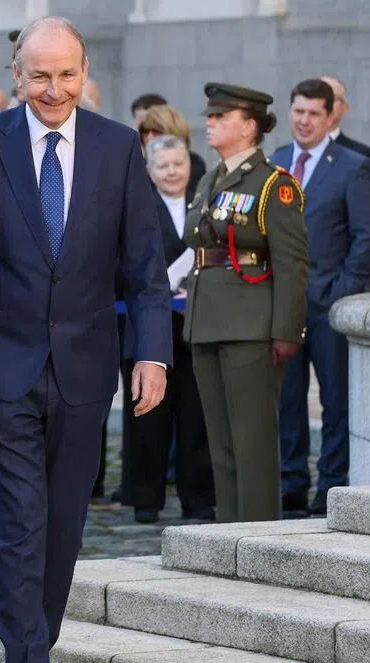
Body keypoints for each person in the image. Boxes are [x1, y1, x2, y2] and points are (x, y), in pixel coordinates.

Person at [0, 16, 172, 663]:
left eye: (65, 74)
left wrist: (153, 353)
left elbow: (144, 267)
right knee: (18, 520)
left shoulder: (115, 146)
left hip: (84, 370)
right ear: (17, 74)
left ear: (82, 72)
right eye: (39, 75)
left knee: (65, 525)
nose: (52, 88)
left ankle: (23, 662)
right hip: (0, 372)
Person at [183, 82, 308, 523]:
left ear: (250, 126)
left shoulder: (275, 185)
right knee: (220, 442)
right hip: (206, 320)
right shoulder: (208, 179)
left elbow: (292, 263)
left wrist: (286, 332)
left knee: (252, 442)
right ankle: (228, 533)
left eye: (221, 117)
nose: (210, 124)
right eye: (210, 116)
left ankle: (256, 540)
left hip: (251, 324)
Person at [271, 78, 370, 517]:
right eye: (298, 111)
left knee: (335, 400)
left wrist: (341, 293)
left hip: (328, 306)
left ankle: (332, 486)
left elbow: (368, 237)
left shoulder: (351, 165)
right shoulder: (277, 161)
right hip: (282, 303)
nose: (303, 120)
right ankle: (291, 483)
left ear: (330, 115)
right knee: (287, 398)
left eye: (313, 113)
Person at [128, 135, 216, 523]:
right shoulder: (137, 205)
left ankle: (197, 499)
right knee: (149, 415)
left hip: (196, 325)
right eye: (162, 165)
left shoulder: (204, 202)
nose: (171, 171)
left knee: (196, 414)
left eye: (178, 164)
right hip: (151, 327)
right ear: (150, 171)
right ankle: (146, 499)